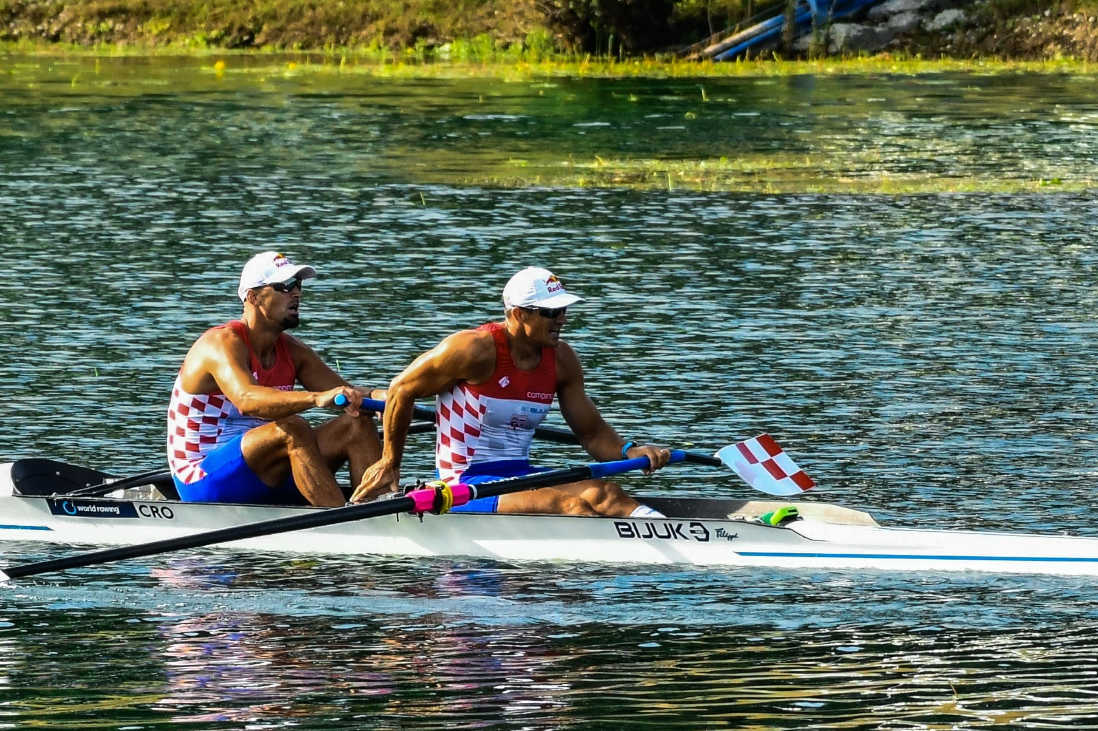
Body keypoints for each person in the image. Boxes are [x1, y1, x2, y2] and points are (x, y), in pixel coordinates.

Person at [350, 266, 669, 517]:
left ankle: (676, 539)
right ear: (519, 314)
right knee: (572, 507)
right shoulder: (472, 349)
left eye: (563, 310)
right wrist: (390, 462)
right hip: (462, 483)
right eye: (551, 312)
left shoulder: (562, 360)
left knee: (608, 493)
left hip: (519, 473)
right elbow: (400, 389)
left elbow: (592, 434)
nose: (562, 319)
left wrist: (631, 452)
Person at [166, 251, 381, 507]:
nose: (297, 293)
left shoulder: (293, 352)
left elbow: (348, 393)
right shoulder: (220, 344)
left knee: (358, 423)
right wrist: (314, 398)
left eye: (298, 285)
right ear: (254, 297)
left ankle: (377, 514)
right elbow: (247, 399)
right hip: (203, 477)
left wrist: (392, 396)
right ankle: (346, 524)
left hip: (265, 471)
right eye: (286, 286)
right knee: (293, 428)